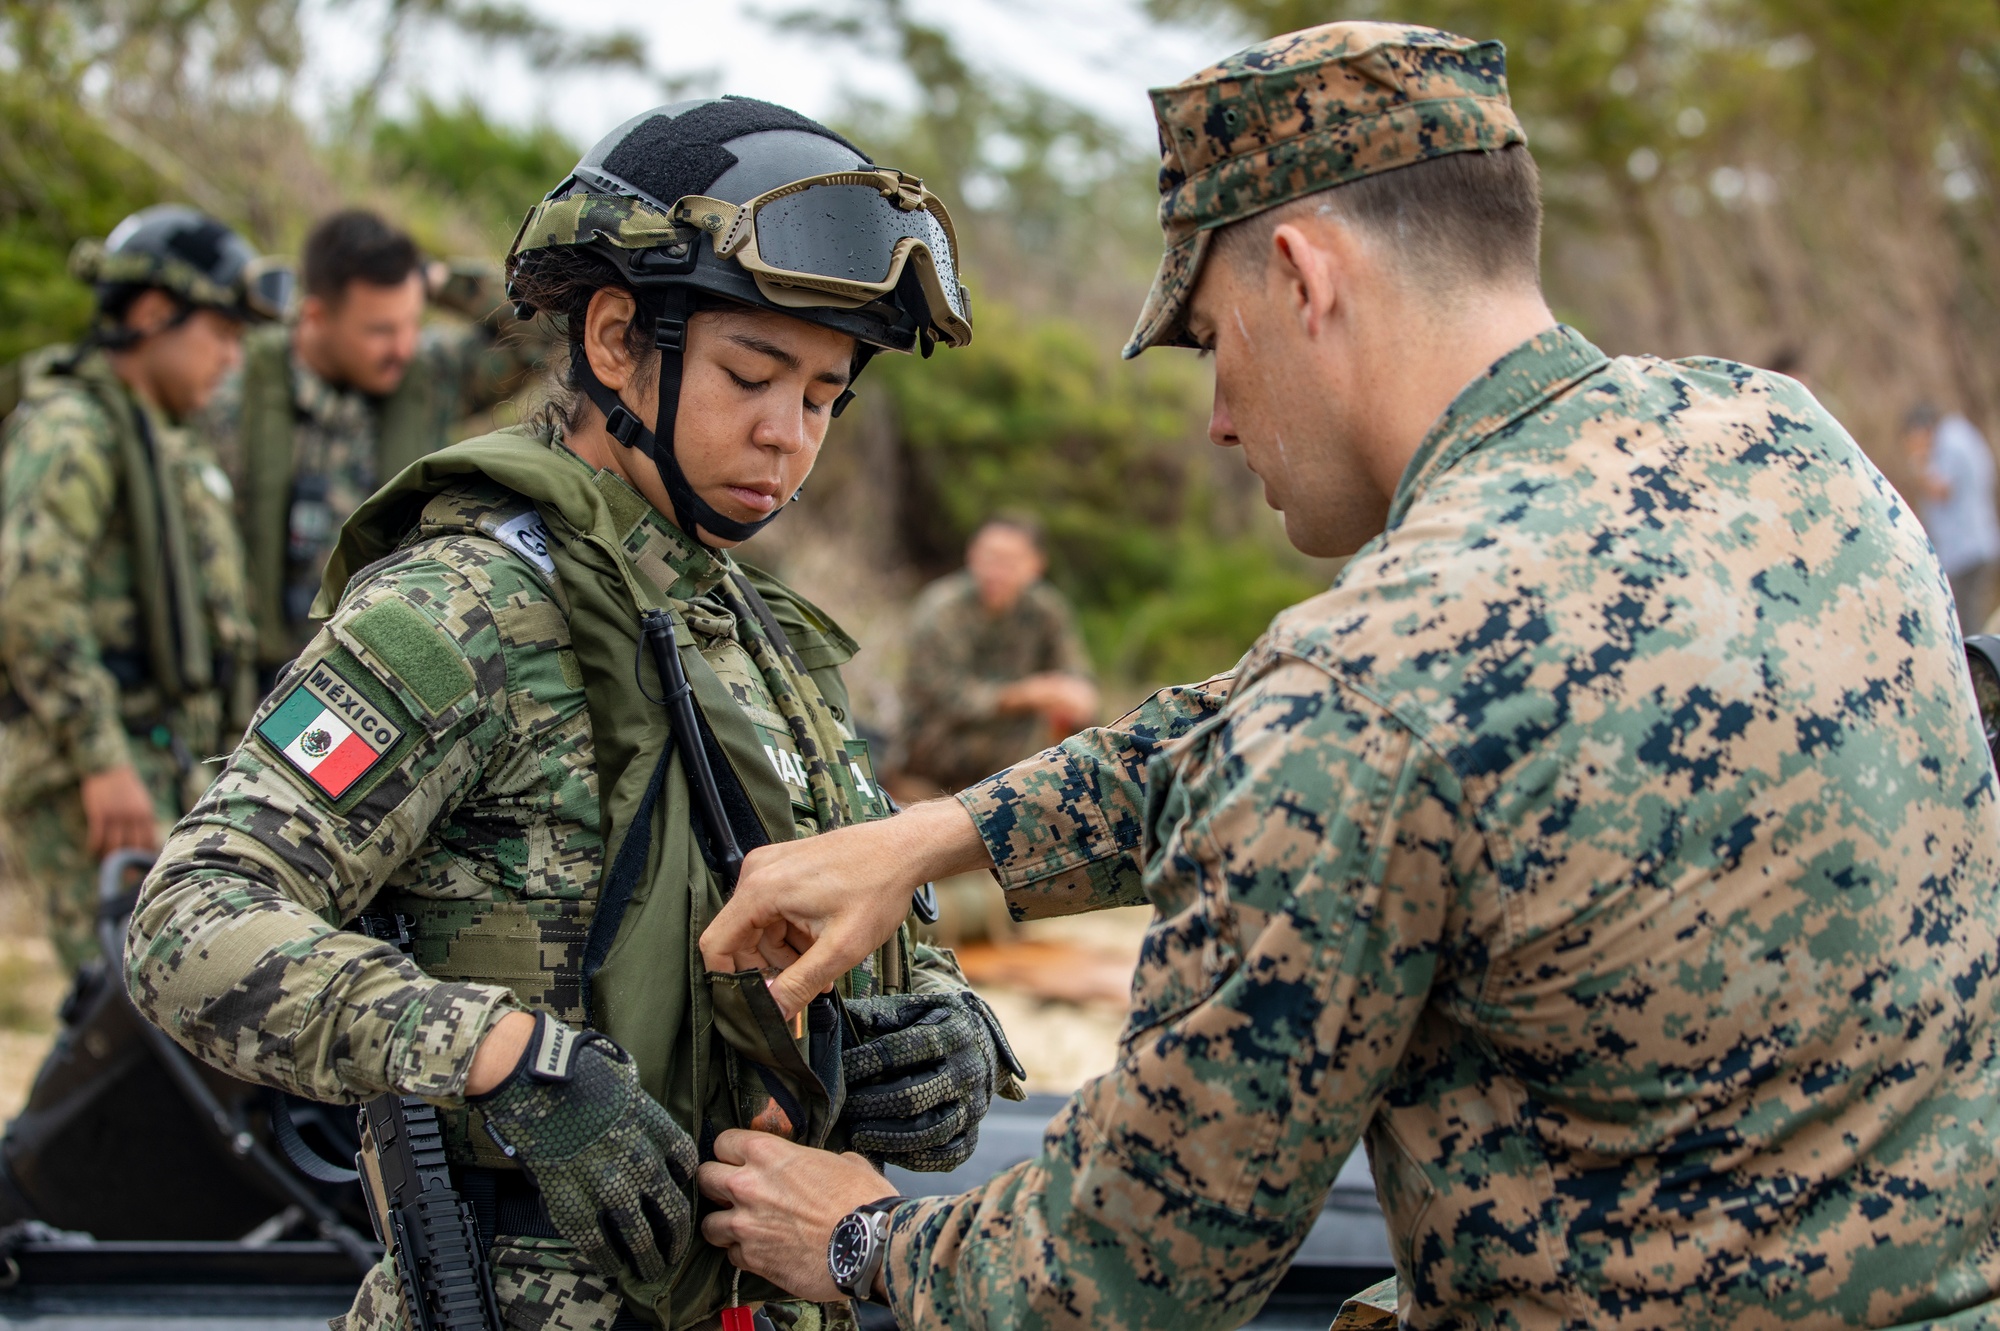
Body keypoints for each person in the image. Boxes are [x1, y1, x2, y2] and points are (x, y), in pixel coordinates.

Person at [692, 23, 2000, 1331]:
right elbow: (1298, 724)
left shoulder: (1371, 685)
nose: (1218, 417)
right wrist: (940, 835)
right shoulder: (1779, 438)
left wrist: (860, 1231)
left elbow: (1112, 1280)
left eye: (1210, 340)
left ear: (1303, 276)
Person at [125, 98, 1022, 1331]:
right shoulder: (462, 608)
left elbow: (888, 926)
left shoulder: (762, 641)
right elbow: (189, 922)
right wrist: (508, 1060)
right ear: (614, 338)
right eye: (751, 375)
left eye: (822, 396)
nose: (786, 436)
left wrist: (949, 1033)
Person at [0, 205, 284, 973]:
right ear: (154, 315)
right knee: (133, 1016)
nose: (231, 359)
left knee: (175, 1024)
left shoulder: (170, 443)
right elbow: (30, 595)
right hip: (98, 768)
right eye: (220, 334)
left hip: (169, 760)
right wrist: (101, 759)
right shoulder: (73, 430)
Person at [198, 208, 546, 691]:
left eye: (411, 323)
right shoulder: (231, 391)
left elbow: (544, 335)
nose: (402, 346)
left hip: (376, 677)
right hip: (248, 681)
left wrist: (442, 280)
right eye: (380, 330)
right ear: (316, 315)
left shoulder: (429, 377)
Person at [901, 516, 1097, 796]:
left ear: (1036, 565)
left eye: (1010, 561)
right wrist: (1024, 696)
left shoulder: (1046, 610)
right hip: (940, 737)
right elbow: (946, 697)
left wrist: (1078, 695)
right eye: (989, 557)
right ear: (971, 555)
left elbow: (1075, 671)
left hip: (1008, 732)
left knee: (1080, 729)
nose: (996, 571)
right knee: (1033, 741)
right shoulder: (943, 609)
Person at [1902, 403, 2000, 631]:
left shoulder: (1950, 444)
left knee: (1964, 622)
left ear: (1923, 429)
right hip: (1979, 540)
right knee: (1970, 615)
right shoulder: (1962, 434)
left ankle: (1975, 665)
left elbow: (1941, 490)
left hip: (1965, 549)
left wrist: (1918, 464)